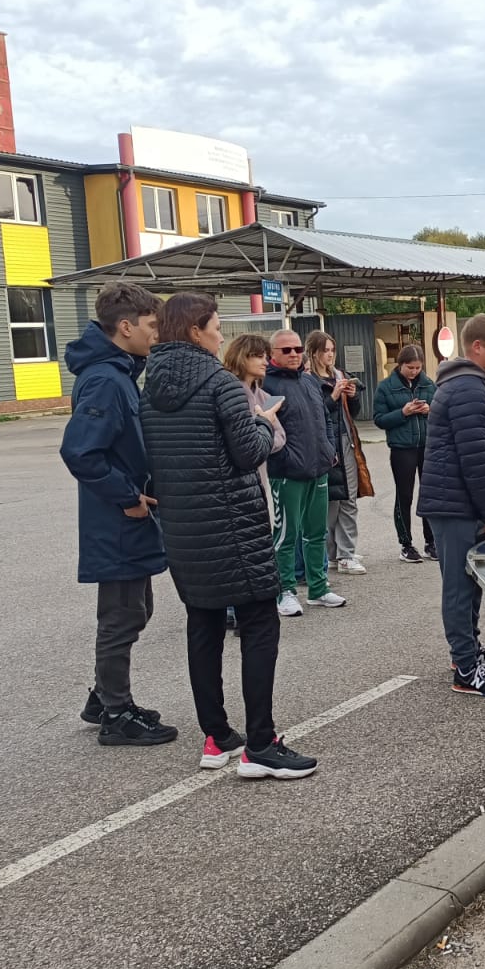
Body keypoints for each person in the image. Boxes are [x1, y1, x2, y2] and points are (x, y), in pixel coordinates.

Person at [139, 292, 316, 779]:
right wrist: (264, 423)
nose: (221, 336)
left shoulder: (149, 388)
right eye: (217, 327)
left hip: (184, 529)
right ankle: (261, 743)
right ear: (196, 331)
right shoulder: (221, 384)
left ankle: (216, 736)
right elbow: (248, 453)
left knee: (204, 624)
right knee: (260, 624)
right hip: (234, 525)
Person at [59, 280, 178, 747]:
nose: (156, 333)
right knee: (122, 615)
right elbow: (81, 452)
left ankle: (103, 696)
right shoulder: (106, 380)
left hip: (127, 516)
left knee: (136, 608)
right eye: (151, 325)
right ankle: (115, 712)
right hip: (117, 519)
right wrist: (128, 496)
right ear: (125, 327)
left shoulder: (120, 372)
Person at [416, 314, 485, 697]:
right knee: (459, 588)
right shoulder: (468, 389)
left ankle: (469, 650)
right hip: (455, 505)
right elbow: (475, 460)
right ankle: (466, 668)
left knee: (472, 581)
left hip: (459, 502)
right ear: (477, 346)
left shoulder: (469, 384)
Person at [263, 329, 345, 616]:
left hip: (318, 469)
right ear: (273, 354)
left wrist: (329, 448)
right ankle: (285, 591)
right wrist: (285, 457)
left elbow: (325, 418)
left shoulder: (310, 382)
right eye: (286, 350)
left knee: (316, 533)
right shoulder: (267, 385)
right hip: (287, 473)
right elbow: (266, 427)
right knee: (286, 535)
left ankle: (318, 589)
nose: (294, 354)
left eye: (297, 349)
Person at [306, 330, 373, 575]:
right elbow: (313, 415)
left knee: (349, 498)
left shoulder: (339, 375)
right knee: (330, 502)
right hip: (325, 444)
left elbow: (352, 414)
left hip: (346, 440)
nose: (330, 355)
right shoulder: (309, 380)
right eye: (325, 350)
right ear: (314, 352)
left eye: (332, 350)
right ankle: (334, 553)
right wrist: (333, 396)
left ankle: (346, 553)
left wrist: (352, 397)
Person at [373, 344, 437, 564]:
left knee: (429, 495)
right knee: (405, 495)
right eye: (410, 367)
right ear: (400, 364)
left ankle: (431, 542)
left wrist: (430, 410)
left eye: (418, 368)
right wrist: (403, 412)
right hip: (402, 448)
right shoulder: (385, 387)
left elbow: (442, 412)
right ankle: (406, 544)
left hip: (427, 446)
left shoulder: (429, 384)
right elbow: (379, 419)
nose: (414, 371)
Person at [222, 334, 287, 529]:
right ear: (242, 356)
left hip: (259, 478)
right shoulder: (226, 392)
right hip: (232, 481)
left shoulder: (264, 396)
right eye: (259, 356)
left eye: (266, 356)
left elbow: (280, 436)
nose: (265, 362)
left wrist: (260, 441)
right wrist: (262, 431)